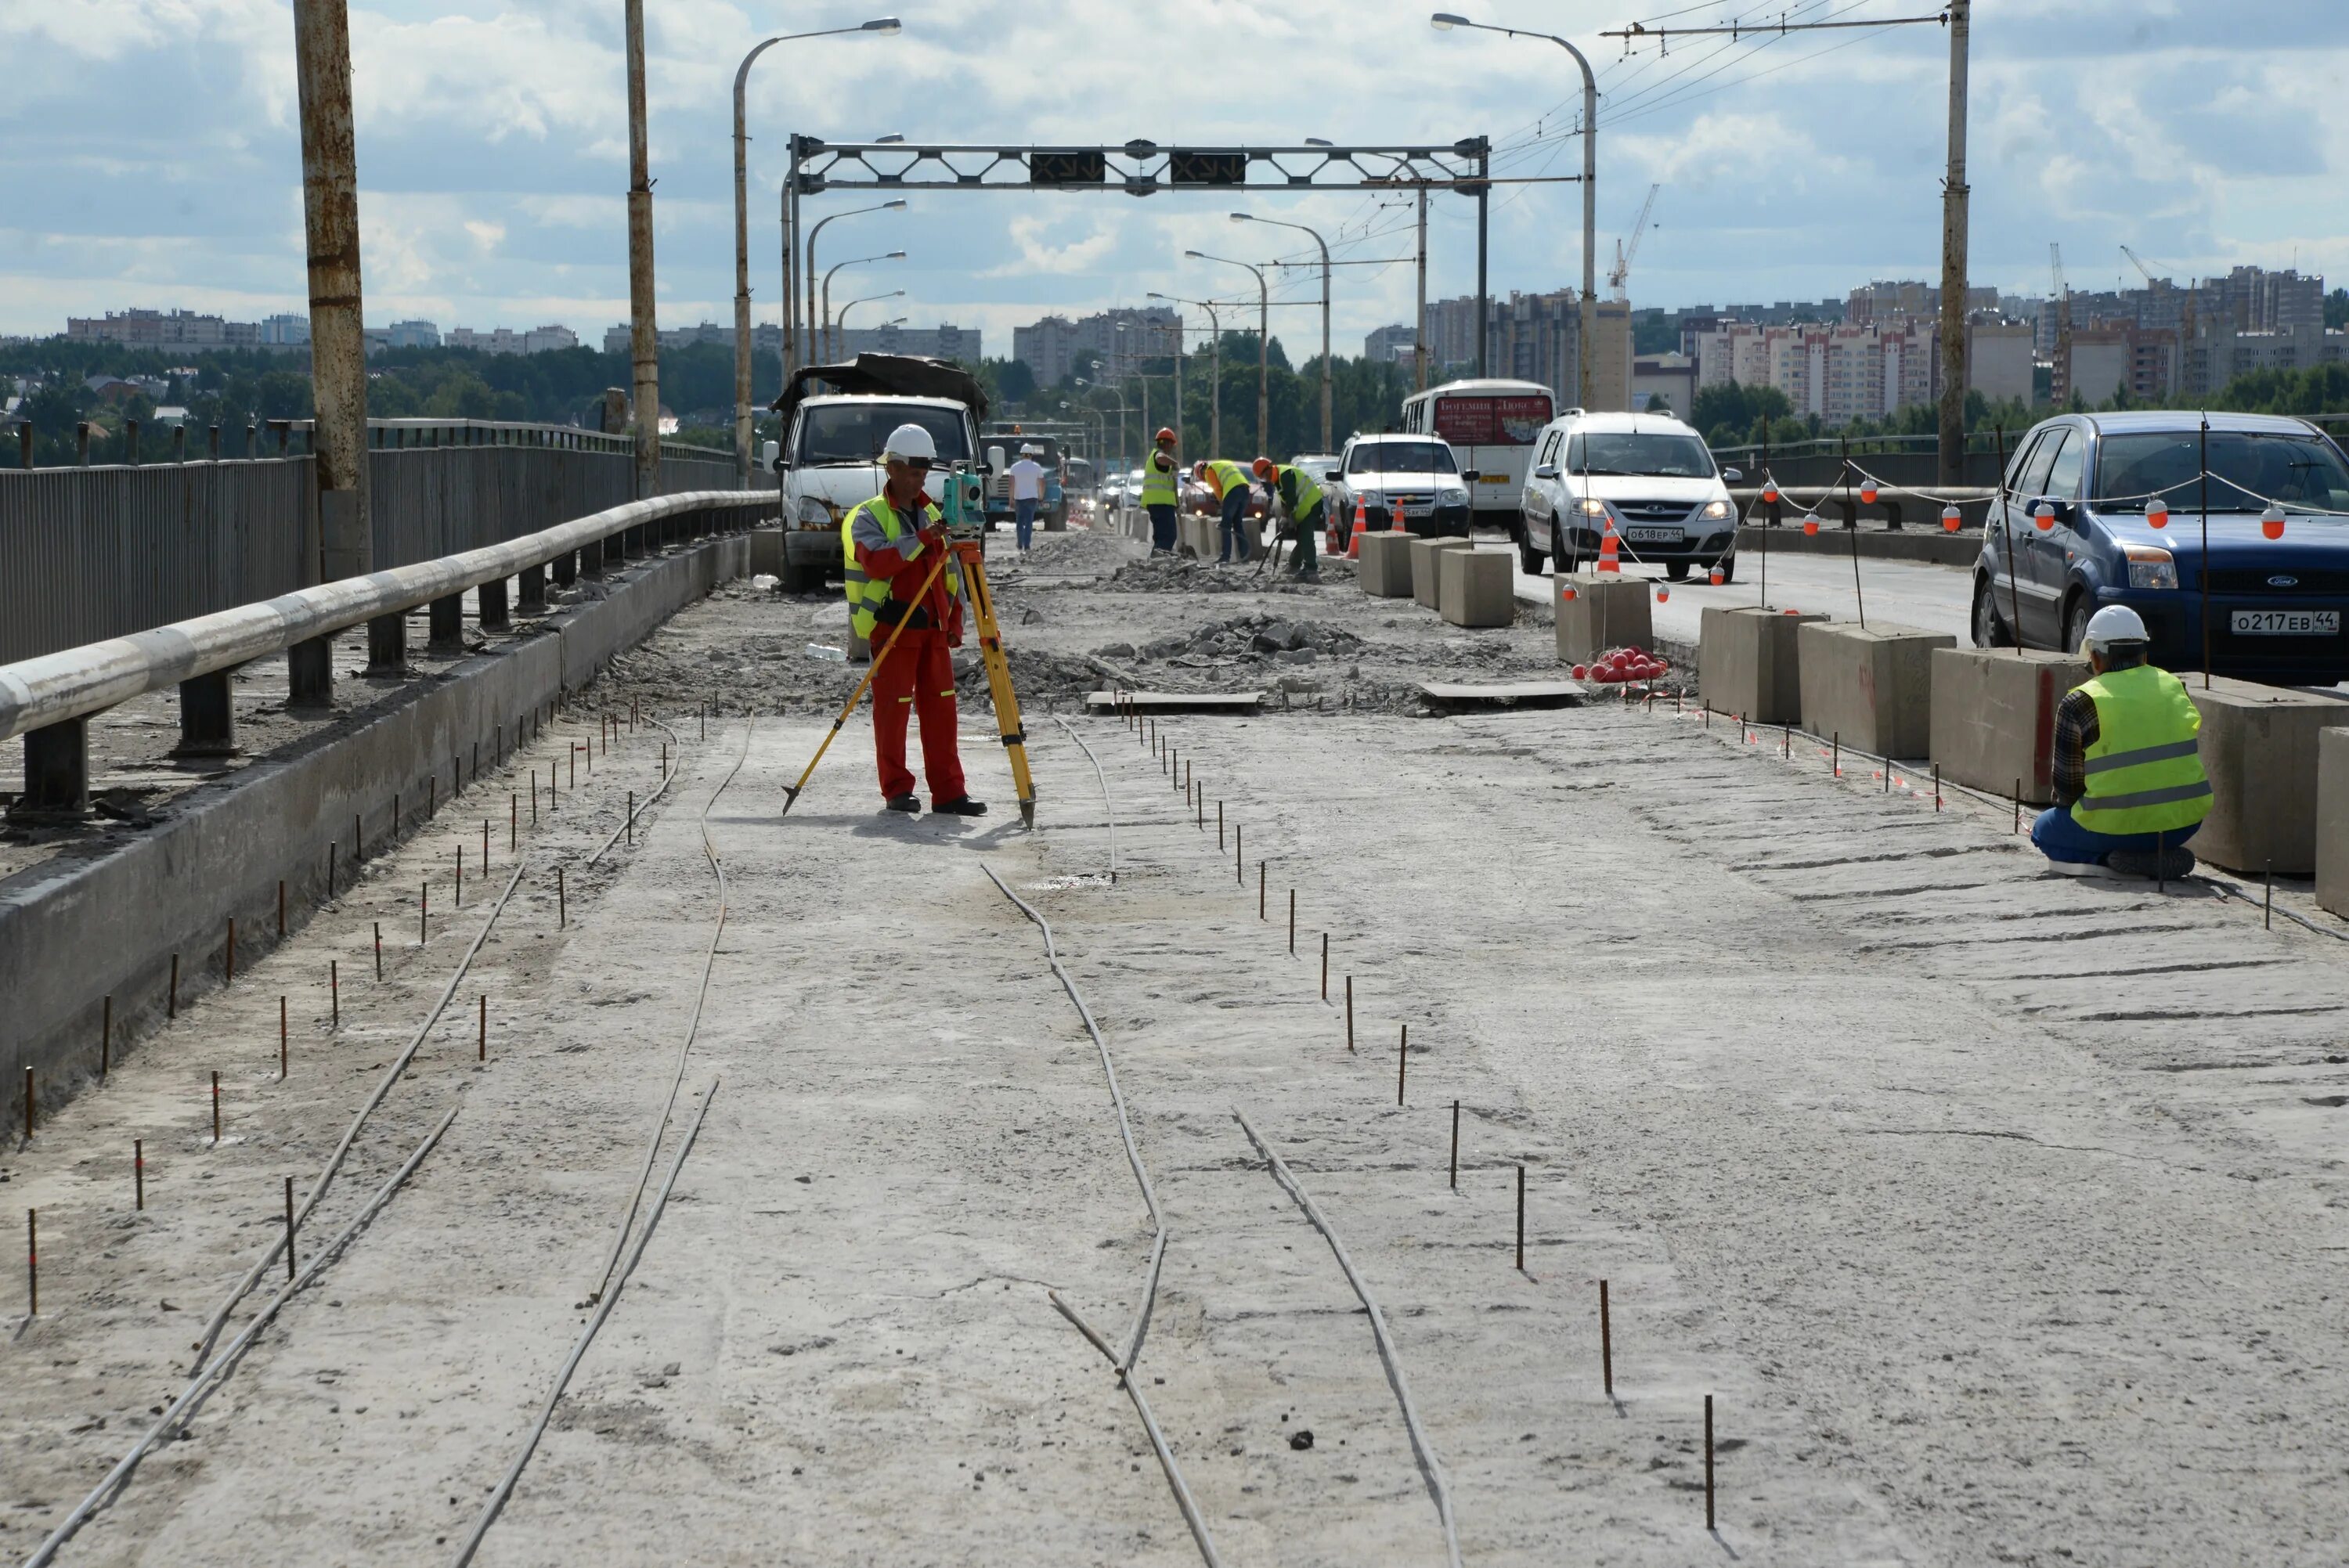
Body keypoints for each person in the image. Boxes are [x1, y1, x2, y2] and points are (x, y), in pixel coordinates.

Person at [842, 422, 987, 817]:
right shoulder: (867, 516)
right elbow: (877, 560)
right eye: (911, 471)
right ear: (891, 468)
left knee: (942, 713)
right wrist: (923, 539)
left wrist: (955, 619)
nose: (918, 479)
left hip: (933, 630)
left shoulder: (936, 513)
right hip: (894, 628)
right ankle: (897, 790)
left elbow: (951, 572)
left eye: (923, 472)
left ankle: (950, 793)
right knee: (894, 711)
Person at [2031, 604, 2208, 878]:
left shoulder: (2080, 702)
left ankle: (2114, 859)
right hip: (2182, 824)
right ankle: (2154, 856)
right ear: (2144, 655)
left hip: (2112, 828)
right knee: (2135, 829)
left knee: (2044, 831)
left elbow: (2066, 791)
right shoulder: (2175, 687)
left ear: (2097, 659)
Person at [1252, 456, 1325, 582]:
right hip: (1305, 507)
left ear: (1268, 469)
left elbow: (1292, 499)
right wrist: (1288, 517)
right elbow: (1286, 500)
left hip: (1312, 504)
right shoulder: (1278, 480)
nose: (1266, 480)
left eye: (1264, 476)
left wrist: (1285, 517)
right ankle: (1294, 565)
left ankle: (1311, 570)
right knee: (1301, 537)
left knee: (1306, 536)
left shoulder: (1285, 475)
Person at [1195, 458, 1257, 564]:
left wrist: (1223, 504)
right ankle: (1244, 557)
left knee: (1225, 525)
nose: (1206, 480)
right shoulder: (1224, 464)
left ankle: (1225, 557)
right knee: (1238, 524)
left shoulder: (1209, 471)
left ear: (1201, 472)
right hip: (1245, 490)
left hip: (1233, 492)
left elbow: (1218, 489)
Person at [1141, 427, 1181, 554]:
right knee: (1169, 536)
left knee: (1161, 537)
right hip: (1161, 504)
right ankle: (1157, 561)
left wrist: (1177, 503)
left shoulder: (1155, 458)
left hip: (1158, 504)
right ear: (1167, 443)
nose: (1172, 448)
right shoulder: (1158, 455)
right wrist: (1175, 463)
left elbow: (1170, 485)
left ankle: (1154, 563)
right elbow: (1160, 458)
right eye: (1171, 445)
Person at [1006, 443, 1045, 552]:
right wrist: (1041, 497)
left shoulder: (1015, 467)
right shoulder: (1037, 468)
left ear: (1022, 455)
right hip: (1032, 498)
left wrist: (1011, 498)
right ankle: (1027, 545)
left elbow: (1011, 483)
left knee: (1019, 522)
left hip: (1019, 498)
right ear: (1031, 455)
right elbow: (1042, 483)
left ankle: (1020, 544)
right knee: (1029, 523)